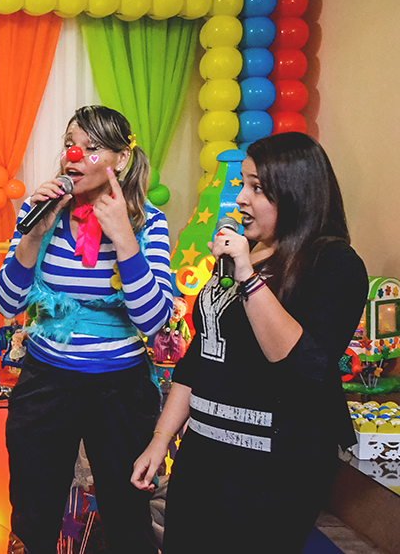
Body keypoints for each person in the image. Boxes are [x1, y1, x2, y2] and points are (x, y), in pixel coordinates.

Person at [132, 132, 367, 554]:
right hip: (202, 454)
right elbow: (199, 359)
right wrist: (161, 438)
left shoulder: (333, 262)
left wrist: (247, 277)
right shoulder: (243, 256)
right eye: (243, 183)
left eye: (257, 187)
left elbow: (301, 361)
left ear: (297, 192)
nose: (241, 198)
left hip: (275, 468)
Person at [0, 105, 172, 554]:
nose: (74, 154)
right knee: (32, 513)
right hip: (46, 380)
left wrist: (124, 239)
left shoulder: (148, 222)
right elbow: (5, 304)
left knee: (127, 515)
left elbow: (153, 321)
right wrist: (35, 232)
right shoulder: (39, 212)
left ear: (120, 160)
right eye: (71, 143)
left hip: (120, 387)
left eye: (91, 148)